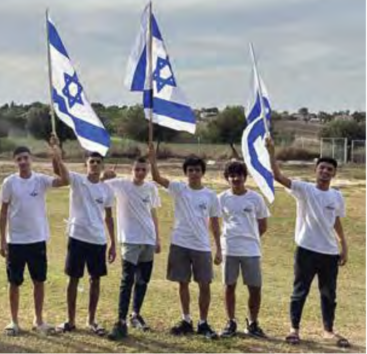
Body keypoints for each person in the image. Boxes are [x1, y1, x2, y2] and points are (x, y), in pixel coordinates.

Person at [266, 138, 350, 348]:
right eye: (322, 168)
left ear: (334, 174)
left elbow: (336, 220)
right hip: (306, 250)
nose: (325, 172)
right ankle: (294, 329)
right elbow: (278, 176)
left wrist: (343, 245)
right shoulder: (304, 189)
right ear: (316, 170)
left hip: (329, 252)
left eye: (329, 169)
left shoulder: (337, 196)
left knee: (329, 294)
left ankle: (328, 331)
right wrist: (271, 152)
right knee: (300, 291)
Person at [0, 134, 69, 336]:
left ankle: (38, 320)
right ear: (15, 162)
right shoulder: (9, 182)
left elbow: (65, 180)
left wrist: (56, 154)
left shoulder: (40, 180)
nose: (23, 162)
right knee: (14, 282)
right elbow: (3, 213)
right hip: (16, 242)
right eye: (19, 159)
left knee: (39, 281)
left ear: (31, 159)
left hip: (37, 240)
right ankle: (14, 321)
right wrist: (2, 241)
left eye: (25, 158)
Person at [149, 144, 221, 339]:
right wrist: (153, 159)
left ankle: (203, 323)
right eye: (190, 170)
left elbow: (215, 223)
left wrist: (218, 248)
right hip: (180, 243)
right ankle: (186, 320)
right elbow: (156, 177)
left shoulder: (211, 196)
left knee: (204, 284)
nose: (194, 173)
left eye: (197, 170)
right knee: (183, 283)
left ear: (202, 172)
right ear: (186, 173)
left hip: (202, 246)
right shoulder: (179, 189)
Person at [53, 151, 115, 337]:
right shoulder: (77, 180)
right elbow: (58, 170)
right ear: (86, 165)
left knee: (95, 280)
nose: (94, 164)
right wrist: (55, 152)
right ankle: (70, 320)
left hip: (98, 240)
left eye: (98, 162)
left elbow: (109, 217)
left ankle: (91, 320)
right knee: (73, 278)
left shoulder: (107, 190)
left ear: (102, 165)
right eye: (91, 161)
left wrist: (113, 242)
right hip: (77, 237)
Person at [103, 157, 161, 340]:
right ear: (131, 170)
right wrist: (105, 176)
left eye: (144, 170)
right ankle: (120, 320)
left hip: (148, 239)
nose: (140, 173)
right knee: (127, 279)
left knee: (142, 280)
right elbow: (99, 185)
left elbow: (153, 212)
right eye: (137, 169)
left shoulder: (151, 188)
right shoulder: (121, 184)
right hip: (129, 240)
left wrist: (157, 238)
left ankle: (135, 314)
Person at [217, 161, 269, 338]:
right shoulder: (221, 198)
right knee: (229, 286)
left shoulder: (256, 198)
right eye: (232, 175)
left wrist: (249, 237)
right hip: (229, 249)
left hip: (251, 251)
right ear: (227, 178)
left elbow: (263, 225)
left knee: (255, 288)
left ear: (245, 177)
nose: (236, 179)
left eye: (239, 175)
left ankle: (252, 323)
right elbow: (213, 221)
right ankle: (230, 322)